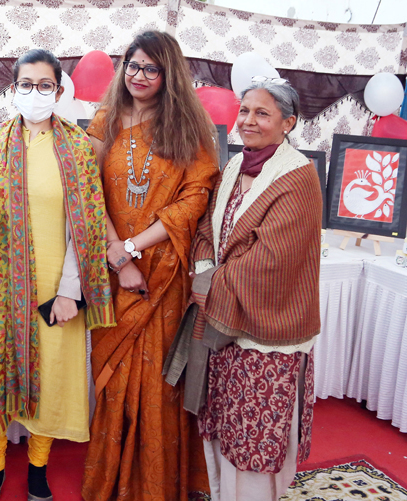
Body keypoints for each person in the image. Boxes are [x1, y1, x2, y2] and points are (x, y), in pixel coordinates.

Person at [0, 48, 114, 501]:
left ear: (59, 90)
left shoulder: (78, 147)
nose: (34, 93)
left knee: (50, 374)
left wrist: (71, 290)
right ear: (13, 89)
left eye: (44, 85)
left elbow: (86, 224)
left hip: (54, 284)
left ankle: (37, 469)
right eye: (25, 84)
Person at [81, 31, 219, 501]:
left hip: (163, 272)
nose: (138, 76)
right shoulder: (105, 120)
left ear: (169, 74)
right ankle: (111, 480)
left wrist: (134, 248)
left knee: (158, 380)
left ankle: (156, 485)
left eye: (151, 68)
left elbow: (195, 198)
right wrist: (118, 255)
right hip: (112, 266)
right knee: (115, 375)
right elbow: (87, 192)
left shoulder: (188, 128)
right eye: (133, 65)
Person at [184, 78, 321, 501]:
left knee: (255, 431)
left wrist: (208, 284)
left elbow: (272, 261)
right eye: (244, 111)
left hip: (264, 332)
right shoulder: (234, 166)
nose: (248, 121)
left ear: (288, 123)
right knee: (225, 423)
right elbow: (206, 230)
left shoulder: (297, 176)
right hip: (224, 324)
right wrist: (204, 266)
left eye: (262, 113)